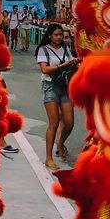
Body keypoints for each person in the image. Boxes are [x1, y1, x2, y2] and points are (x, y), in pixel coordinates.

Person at [36, 23, 78, 166]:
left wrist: (75, 63)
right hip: (50, 86)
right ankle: (49, 158)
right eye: (56, 35)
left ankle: (60, 143)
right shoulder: (43, 50)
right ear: (49, 36)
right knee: (53, 123)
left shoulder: (66, 49)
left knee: (69, 122)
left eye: (61, 35)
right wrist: (63, 65)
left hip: (65, 86)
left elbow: (71, 65)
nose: (60, 37)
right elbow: (44, 69)